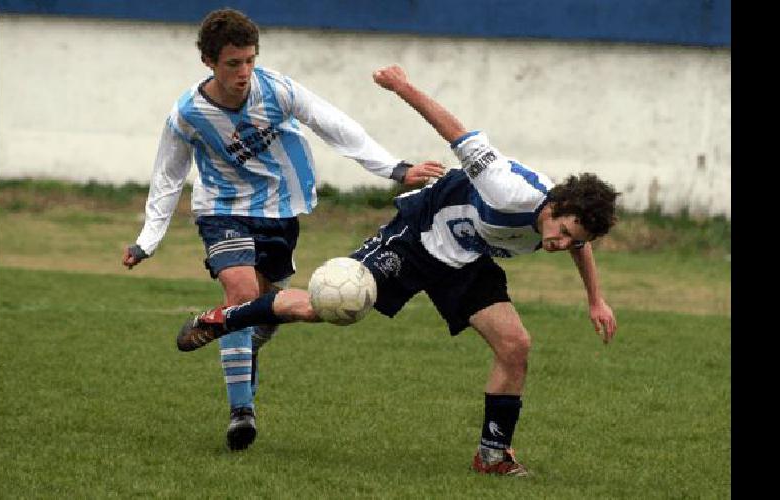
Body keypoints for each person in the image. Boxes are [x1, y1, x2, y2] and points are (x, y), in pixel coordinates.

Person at [175, 64, 620, 476]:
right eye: (562, 231)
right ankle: (224, 319)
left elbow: (581, 247)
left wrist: (595, 299)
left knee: (516, 344)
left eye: (574, 240)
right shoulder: (506, 188)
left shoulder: (566, 228)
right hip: (418, 235)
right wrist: (401, 86)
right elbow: (456, 131)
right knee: (323, 307)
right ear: (556, 205)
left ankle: (492, 454)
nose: (561, 244)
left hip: (465, 259)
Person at [121, 11, 444, 452]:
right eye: (233, 63)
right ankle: (241, 414)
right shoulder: (188, 115)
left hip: (281, 213)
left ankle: (219, 331)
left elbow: (334, 124)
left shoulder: (277, 90)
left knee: (260, 320)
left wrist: (394, 168)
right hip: (223, 210)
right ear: (208, 61)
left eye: (250, 61)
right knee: (241, 295)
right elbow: (168, 178)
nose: (243, 73)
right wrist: (148, 240)